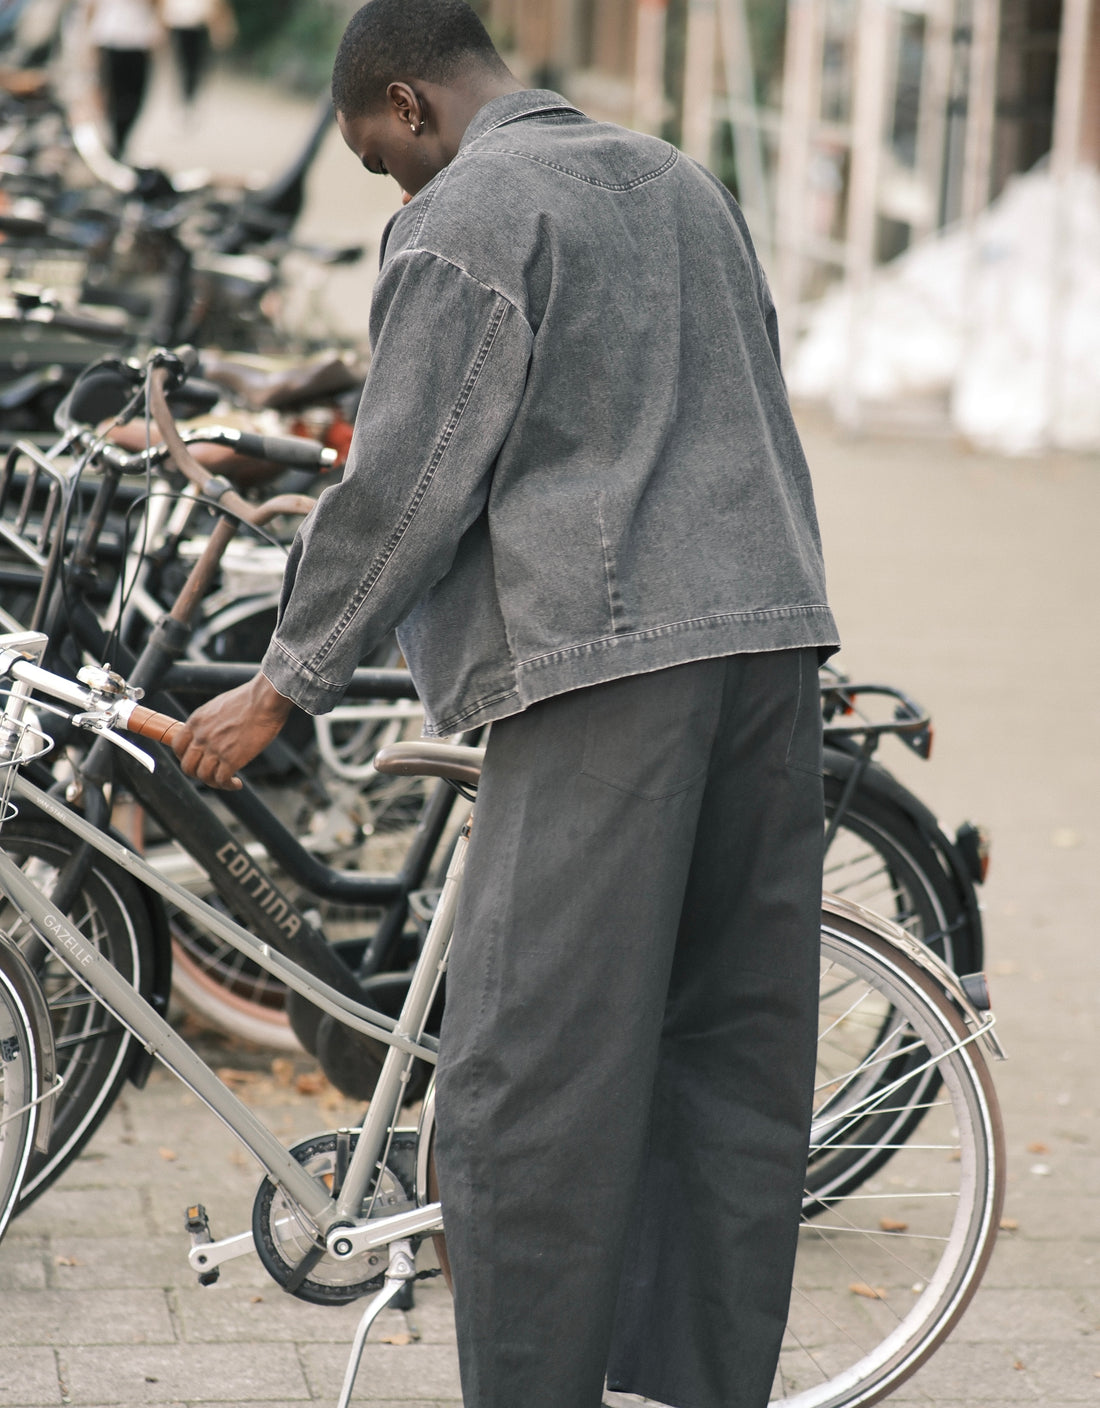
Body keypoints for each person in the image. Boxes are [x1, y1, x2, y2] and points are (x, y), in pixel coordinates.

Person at [172, 3, 840, 1405]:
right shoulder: (676, 179)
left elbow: (410, 481)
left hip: (611, 666)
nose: (395, 188)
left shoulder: (472, 210)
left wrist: (282, 683)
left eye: (381, 159)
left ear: (410, 105)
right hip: (774, 644)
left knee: (526, 1078)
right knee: (726, 1049)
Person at [83, 0, 162, 157]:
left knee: (136, 98)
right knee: (113, 98)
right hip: (111, 39)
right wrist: (88, 43)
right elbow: (92, 8)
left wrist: (158, 30)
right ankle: (115, 143)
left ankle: (121, 140)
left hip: (139, 41)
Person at [162, 0, 235, 112]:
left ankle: (190, 92)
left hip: (199, 25)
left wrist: (219, 26)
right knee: (184, 61)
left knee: (196, 62)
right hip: (180, 23)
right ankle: (186, 92)